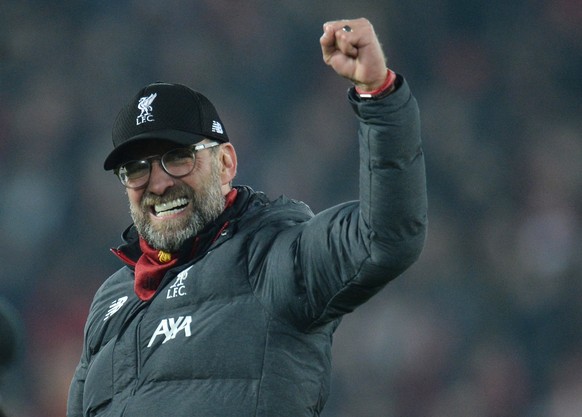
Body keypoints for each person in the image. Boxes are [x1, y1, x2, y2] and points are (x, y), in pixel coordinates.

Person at [67, 17, 427, 417]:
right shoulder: (111, 299)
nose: (158, 183)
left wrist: (379, 95)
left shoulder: (273, 257)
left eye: (178, 158)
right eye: (137, 168)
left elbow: (386, 236)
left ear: (225, 164)